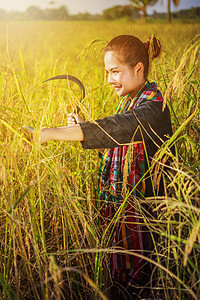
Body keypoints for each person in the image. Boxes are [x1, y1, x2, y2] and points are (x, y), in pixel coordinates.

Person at [25, 35, 173, 299]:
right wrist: (80, 126)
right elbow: (115, 143)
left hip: (149, 225)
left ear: (138, 68)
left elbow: (118, 128)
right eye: (107, 72)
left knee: (143, 287)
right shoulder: (130, 101)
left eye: (115, 72)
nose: (109, 80)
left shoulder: (154, 108)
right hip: (124, 218)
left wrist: (43, 133)